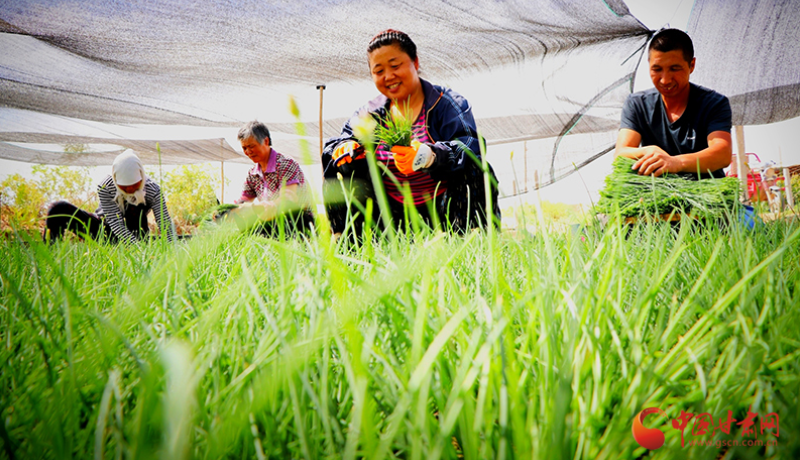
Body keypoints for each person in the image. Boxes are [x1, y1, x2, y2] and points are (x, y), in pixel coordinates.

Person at [322, 29, 500, 235]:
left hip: (443, 208)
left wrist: (430, 156)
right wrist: (344, 148)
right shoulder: (370, 115)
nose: (389, 76)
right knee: (340, 166)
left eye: (395, 65)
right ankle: (350, 243)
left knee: (476, 167)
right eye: (379, 71)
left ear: (415, 63)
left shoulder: (446, 104)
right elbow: (340, 141)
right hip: (391, 213)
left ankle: (472, 238)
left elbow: (470, 144)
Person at [615, 28, 732, 180]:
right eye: (657, 69)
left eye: (674, 69)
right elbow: (620, 154)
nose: (665, 80)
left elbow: (722, 154)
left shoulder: (713, 103)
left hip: (709, 197)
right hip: (657, 195)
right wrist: (649, 151)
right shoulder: (637, 105)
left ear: (691, 65)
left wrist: (676, 162)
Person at [43, 149, 176, 243]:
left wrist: (173, 248)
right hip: (105, 230)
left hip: (136, 232)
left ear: (141, 176)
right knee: (57, 209)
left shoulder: (153, 190)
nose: (129, 189)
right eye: (124, 185)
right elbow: (115, 222)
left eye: (134, 184)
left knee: (134, 205)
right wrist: (135, 246)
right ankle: (51, 250)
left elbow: (164, 223)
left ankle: (137, 243)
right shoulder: (106, 186)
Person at [231, 120, 313, 235]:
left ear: (266, 141)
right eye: (244, 148)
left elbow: (288, 199)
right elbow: (244, 200)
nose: (248, 152)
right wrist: (230, 209)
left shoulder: (286, 164)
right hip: (272, 221)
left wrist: (259, 207)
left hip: (299, 220)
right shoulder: (252, 174)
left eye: (251, 146)